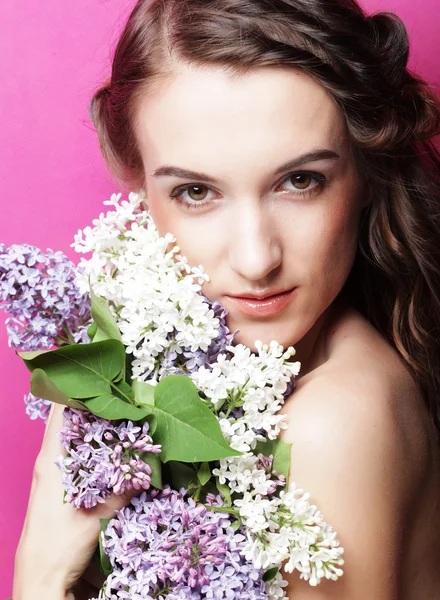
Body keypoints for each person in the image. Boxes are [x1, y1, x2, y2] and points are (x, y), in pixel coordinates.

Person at [12, 0, 440, 598]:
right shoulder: (238, 371)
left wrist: (40, 573)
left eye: (300, 181)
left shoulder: (333, 427)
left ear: (364, 175)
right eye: (196, 192)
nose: (257, 258)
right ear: (138, 186)